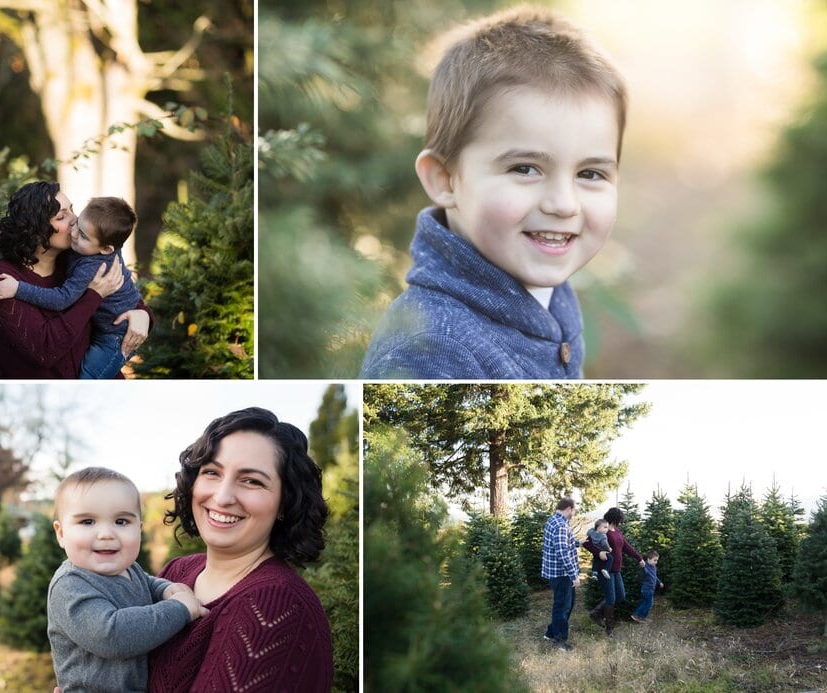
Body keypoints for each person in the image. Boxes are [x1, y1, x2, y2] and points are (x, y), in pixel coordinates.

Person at [361, 7, 627, 379]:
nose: (564, 205)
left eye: (590, 173)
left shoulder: (549, 290)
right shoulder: (431, 348)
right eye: (525, 168)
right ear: (445, 179)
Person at [147, 407, 333, 691]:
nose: (222, 497)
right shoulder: (177, 572)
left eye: (252, 481)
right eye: (211, 472)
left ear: (285, 502)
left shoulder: (274, 604)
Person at [48, 467, 206, 692]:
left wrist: (164, 589)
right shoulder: (69, 585)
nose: (106, 534)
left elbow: (144, 582)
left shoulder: (129, 568)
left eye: (121, 522)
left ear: (139, 530)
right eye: (87, 522)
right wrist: (179, 608)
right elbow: (112, 636)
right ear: (61, 533)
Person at [0, 182, 151, 378]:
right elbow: (44, 350)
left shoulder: (77, 260)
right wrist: (93, 296)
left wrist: (142, 315)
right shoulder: (4, 279)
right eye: (61, 216)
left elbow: (122, 294)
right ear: (35, 230)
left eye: (72, 210)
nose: (74, 220)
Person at [584, 506, 643, 636]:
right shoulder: (602, 530)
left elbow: (626, 546)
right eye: (619, 520)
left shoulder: (616, 531)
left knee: (621, 595)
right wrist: (599, 553)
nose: (621, 522)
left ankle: (595, 613)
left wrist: (639, 558)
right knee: (611, 598)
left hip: (616, 569)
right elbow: (587, 543)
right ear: (614, 519)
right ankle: (609, 629)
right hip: (605, 569)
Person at [541, 497, 581, 651]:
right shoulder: (561, 526)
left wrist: (578, 543)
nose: (574, 513)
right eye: (574, 509)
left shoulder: (553, 521)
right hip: (562, 574)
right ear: (569, 508)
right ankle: (560, 641)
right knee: (562, 607)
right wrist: (574, 575)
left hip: (556, 573)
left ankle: (551, 633)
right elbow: (562, 553)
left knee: (566, 605)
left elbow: (559, 543)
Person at [630, 550, 662, 624]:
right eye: (655, 560)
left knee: (646, 602)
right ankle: (640, 616)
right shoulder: (646, 566)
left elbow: (654, 576)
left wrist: (659, 582)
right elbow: (644, 572)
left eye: (657, 560)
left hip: (651, 589)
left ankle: (638, 615)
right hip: (646, 588)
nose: (656, 562)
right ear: (648, 559)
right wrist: (643, 567)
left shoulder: (653, 567)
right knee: (648, 603)